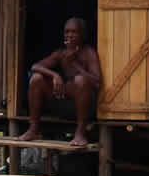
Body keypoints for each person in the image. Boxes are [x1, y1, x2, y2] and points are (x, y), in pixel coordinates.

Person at [18, 17, 101, 146]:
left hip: (85, 107)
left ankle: (80, 133)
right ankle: (33, 129)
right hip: (62, 104)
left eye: (74, 32)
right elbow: (35, 66)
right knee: (37, 79)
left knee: (80, 80)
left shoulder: (89, 53)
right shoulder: (61, 53)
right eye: (67, 32)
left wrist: (75, 64)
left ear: (82, 35)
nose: (70, 35)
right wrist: (55, 75)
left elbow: (97, 82)